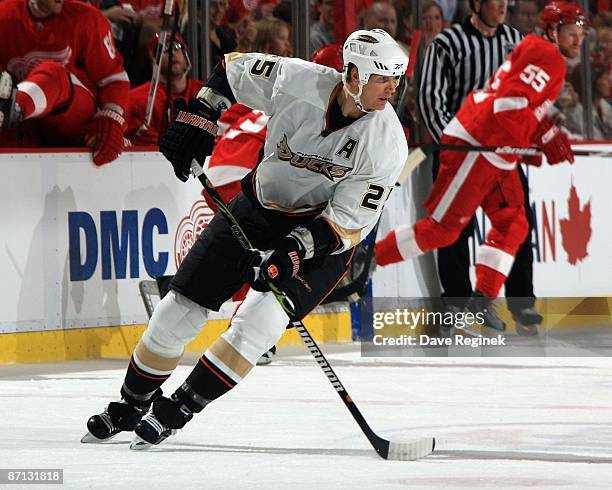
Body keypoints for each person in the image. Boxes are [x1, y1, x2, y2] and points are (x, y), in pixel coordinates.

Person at [83, 28, 408, 447]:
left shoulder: (387, 143)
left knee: (260, 322)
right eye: (383, 77)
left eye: (396, 79)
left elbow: (343, 224)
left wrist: (287, 255)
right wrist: (202, 118)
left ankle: (177, 409)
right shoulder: (297, 80)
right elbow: (230, 71)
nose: (392, 89)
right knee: (177, 311)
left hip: (321, 237)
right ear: (353, 74)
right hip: (256, 210)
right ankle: (130, 403)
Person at [375, 2, 585, 331]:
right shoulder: (543, 55)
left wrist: (543, 131)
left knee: (514, 224)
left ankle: (481, 302)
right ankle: (368, 259)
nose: (578, 40)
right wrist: (537, 137)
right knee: (445, 230)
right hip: (474, 144)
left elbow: (516, 102)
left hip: (495, 148)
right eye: (571, 33)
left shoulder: (524, 42)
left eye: (580, 33)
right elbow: (507, 105)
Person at [411, 0, 537, 332]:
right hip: (458, 155)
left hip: (499, 156)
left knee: (516, 225)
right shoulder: (446, 44)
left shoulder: (515, 42)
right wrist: (454, 145)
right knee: (453, 231)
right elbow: (430, 98)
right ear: (476, 4)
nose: (503, 5)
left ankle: (520, 303)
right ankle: (455, 304)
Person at [0, 0, 129, 165]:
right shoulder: (5, 16)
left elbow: (113, 79)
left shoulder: (87, 18)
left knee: (53, 74)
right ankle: (12, 109)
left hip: (73, 116)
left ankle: (14, 107)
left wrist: (113, 117)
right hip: (24, 128)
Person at [125, 32, 203, 145]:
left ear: (186, 56)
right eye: (163, 49)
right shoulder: (138, 100)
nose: (171, 52)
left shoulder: (206, 93)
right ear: (152, 61)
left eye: (177, 47)